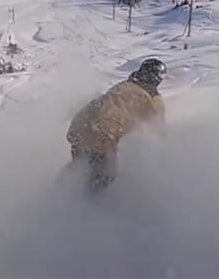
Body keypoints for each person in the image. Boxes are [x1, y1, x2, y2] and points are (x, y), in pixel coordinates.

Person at [66, 58, 168, 192]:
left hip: (79, 127)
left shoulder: (125, 85)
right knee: (104, 176)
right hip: (102, 133)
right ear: (155, 78)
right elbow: (159, 127)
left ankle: (59, 190)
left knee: (80, 165)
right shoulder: (148, 98)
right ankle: (93, 201)